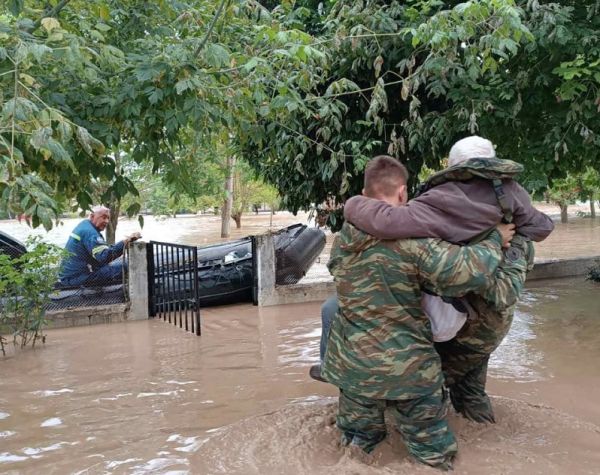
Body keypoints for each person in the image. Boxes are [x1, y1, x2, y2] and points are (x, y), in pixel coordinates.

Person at [318, 136, 554, 423]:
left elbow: (389, 224)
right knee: (465, 394)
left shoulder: (441, 208)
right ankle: (473, 432)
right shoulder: (511, 212)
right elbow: (541, 229)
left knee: (422, 385)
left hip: (464, 324)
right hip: (480, 324)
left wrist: (354, 204)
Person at [59, 205, 141, 287]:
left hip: (69, 277)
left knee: (117, 264)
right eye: (104, 217)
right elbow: (104, 257)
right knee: (129, 264)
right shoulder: (90, 233)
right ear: (92, 216)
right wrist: (124, 243)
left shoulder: (84, 225)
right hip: (77, 279)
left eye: (108, 218)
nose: (107, 221)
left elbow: (100, 254)